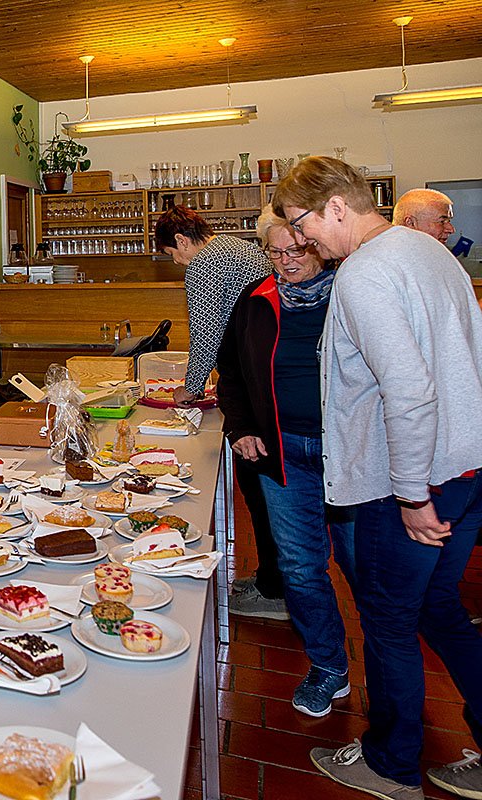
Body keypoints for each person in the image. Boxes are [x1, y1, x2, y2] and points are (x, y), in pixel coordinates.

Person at [274, 157, 482, 800]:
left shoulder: (364, 272)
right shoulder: (428, 251)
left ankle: (390, 765)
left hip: (416, 478)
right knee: (439, 609)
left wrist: (412, 492)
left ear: (337, 206)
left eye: (302, 223)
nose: (303, 239)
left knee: (388, 620)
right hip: (467, 464)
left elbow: (408, 391)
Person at [217, 208, 355, 718]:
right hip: (284, 453)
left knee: (364, 571)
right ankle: (329, 666)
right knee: (299, 567)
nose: (285, 261)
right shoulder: (254, 300)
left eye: (295, 250)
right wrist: (241, 426)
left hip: (352, 455)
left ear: (318, 244)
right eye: (274, 252)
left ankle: (392, 682)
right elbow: (231, 370)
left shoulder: (351, 295)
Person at [154, 205, 288, 621]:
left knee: (260, 490)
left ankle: (276, 591)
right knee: (268, 491)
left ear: (181, 240)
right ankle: (270, 578)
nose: (176, 262)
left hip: (251, 382)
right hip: (268, 374)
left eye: (171, 253)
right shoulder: (236, 246)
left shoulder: (204, 264)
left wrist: (190, 389)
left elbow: (205, 334)